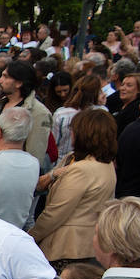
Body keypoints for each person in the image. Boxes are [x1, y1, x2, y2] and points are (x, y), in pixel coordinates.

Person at [31, 110, 119, 268]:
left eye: (74, 129)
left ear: (85, 134)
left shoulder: (82, 170)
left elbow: (56, 212)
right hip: (86, 247)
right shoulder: (104, 164)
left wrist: (31, 236)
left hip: (67, 248)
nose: (70, 133)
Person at [0, 61, 51, 171]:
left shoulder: (38, 113)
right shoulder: (0, 104)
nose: (0, 80)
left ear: (19, 83)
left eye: (5, 77)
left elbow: (35, 152)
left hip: (14, 172)